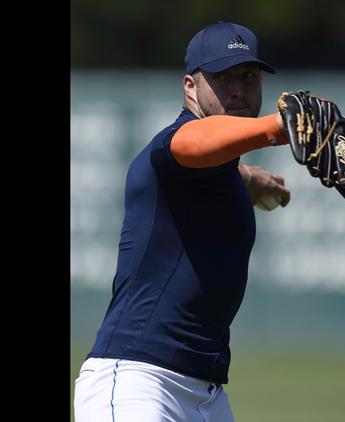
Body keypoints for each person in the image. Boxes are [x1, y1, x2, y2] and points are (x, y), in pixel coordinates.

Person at [73, 21, 292, 422]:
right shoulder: (174, 142)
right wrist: (277, 127)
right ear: (190, 87)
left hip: (206, 397)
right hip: (138, 382)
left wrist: (253, 180)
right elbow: (194, 143)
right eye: (221, 77)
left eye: (248, 75)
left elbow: (221, 164)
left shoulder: (220, 169)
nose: (238, 89)